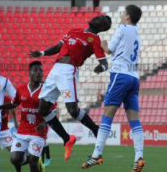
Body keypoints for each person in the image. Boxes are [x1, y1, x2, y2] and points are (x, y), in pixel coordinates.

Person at [29, 15, 112, 160]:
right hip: (55, 70)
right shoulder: (74, 31)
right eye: (98, 16)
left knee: (72, 110)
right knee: (42, 108)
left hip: (69, 71)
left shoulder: (94, 39)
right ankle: (67, 138)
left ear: (101, 28)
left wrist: (102, 66)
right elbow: (58, 47)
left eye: (101, 20)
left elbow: (104, 62)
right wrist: (41, 53)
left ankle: (96, 130)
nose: (97, 18)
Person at [81, 5, 145, 172]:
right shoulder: (136, 31)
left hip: (120, 75)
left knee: (108, 114)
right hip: (134, 78)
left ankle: (96, 154)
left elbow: (109, 50)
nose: (122, 16)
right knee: (134, 120)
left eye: (124, 13)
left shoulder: (123, 28)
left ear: (128, 17)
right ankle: (139, 156)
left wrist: (104, 45)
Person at [0, 61, 51, 172]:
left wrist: (44, 123)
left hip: (38, 132)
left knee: (32, 162)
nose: (39, 73)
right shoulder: (21, 89)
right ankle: (36, 159)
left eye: (41, 71)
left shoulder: (46, 90)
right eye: (36, 71)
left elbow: (53, 111)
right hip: (22, 131)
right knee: (15, 159)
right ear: (30, 73)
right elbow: (14, 104)